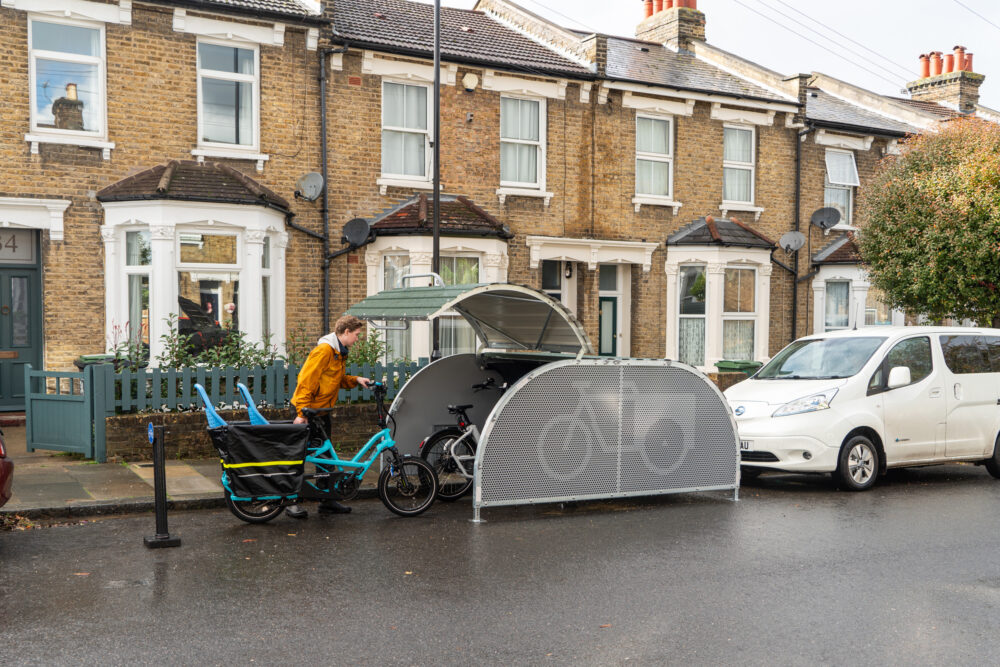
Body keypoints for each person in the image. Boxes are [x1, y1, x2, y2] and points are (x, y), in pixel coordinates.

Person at [287, 315, 373, 519]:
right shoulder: (325, 350)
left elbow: (335, 379)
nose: (357, 339)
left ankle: (326, 499)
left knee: (326, 457)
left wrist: (356, 380)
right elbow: (306, 381)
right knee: (298, 456)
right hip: (307, 412)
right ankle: (290, 501)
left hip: (321, 412)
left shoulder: (339, 353)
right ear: (345, 332)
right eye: (356, 335)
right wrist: (301, 413)